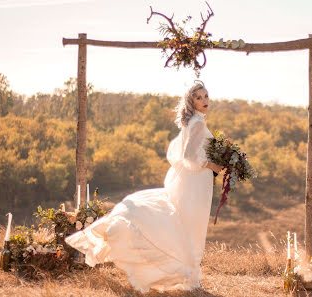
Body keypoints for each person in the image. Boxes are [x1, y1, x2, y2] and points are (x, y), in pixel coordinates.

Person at [65, 81, 224, 293]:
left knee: (184, 224)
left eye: (206, 96)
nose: (204, 101)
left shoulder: (193, 122)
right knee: (190, 226)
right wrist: (212, 164)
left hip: (194, 181)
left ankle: (189, 274)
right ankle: (189, 276)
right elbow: (187, 158)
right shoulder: (197, 124)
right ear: (191, 101)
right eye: (199, 98)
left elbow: (180, 154)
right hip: (194, 182)